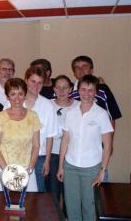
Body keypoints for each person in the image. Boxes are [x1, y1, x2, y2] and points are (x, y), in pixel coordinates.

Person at [57, 75, 113, 220]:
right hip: (70, 166)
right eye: (83, 89)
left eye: (90, 90)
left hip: (92, 168)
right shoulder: (70, 113)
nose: (86, 94)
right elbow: (65, 140)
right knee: (72, 207)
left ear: (95, 92)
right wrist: (61, 166)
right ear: (77, 90)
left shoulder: (101, 114)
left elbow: (108, 146)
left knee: (90, 207)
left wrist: (102, 171)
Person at [0, 78, 40, 191]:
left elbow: (36, 146)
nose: (17, 98)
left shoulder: (33, 116)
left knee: (29, 204)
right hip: (3, 167)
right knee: (1, 205)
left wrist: (31, 168)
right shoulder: (0, 117)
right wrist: (8, 171)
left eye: (20, 94)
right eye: (13, 94)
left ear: (25, 95)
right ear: (8, 96)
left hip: (26, 168)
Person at [21, 67, 58, 192]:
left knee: (39, 197)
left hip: (39, 158)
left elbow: (50, 136)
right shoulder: (13, 101)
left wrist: (47, 161)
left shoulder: (48, 106)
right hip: (16, 156)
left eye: (40, 83)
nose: (36, 86)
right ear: (26, 80)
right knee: (17, 194)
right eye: (33, 81)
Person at [48, 75, 79, 201]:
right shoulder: (47, 104)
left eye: (65, 87)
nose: (61, 91)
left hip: (72, 155)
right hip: (52, 154)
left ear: (71, 89)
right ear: (54, 89)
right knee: (53, 192)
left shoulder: (79, 105)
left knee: (70, 194)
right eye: (58, 87)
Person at [69, 55, 122, 128]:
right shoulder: (69, 91)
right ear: (74, 73)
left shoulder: (103, 89)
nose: (81, 70)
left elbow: (111, 117)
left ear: (91, 70)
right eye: (77, 68)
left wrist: (109, 139)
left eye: (85, 67)